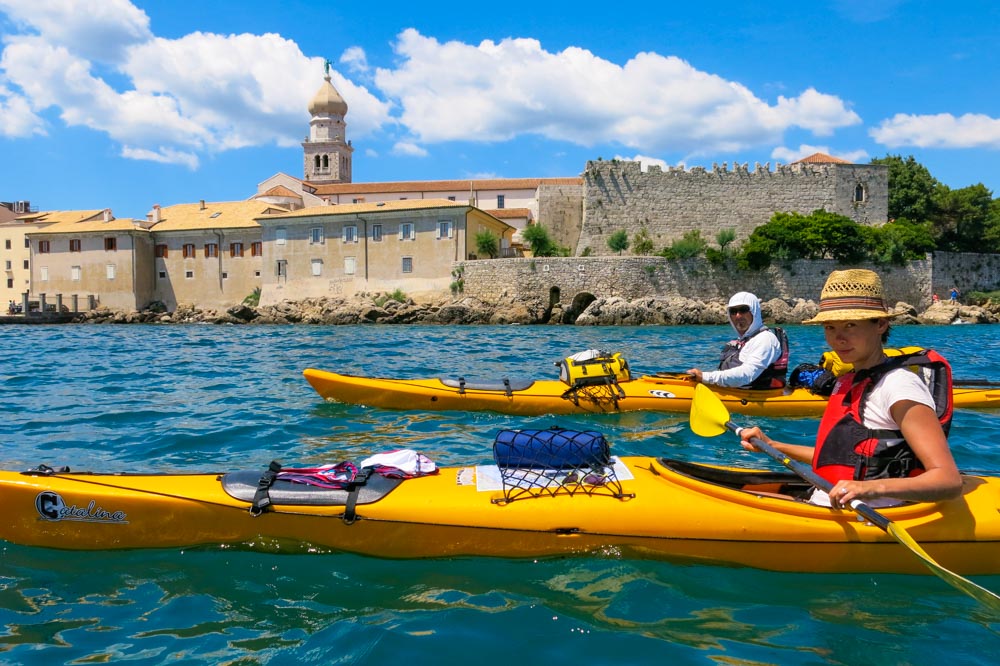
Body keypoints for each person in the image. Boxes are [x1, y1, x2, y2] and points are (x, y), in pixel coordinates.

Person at [738, 269, 963, 508]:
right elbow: (840, 459)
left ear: (881, 324)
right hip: (825, 502)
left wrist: (868, 488)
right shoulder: (849, 380)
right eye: (830, 327)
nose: (838, 338)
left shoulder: (899, 386)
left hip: (864, 515)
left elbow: (948, 480)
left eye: (850, 325)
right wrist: (773, 445)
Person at [687, 292, 788, 389]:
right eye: (733, 311)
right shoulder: (743, 341)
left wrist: (705, 377)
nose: (738, 315)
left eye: (743, 310)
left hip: (754, 397)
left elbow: (747, 374)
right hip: (733, 390)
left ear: (754, 311)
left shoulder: (765, 339)